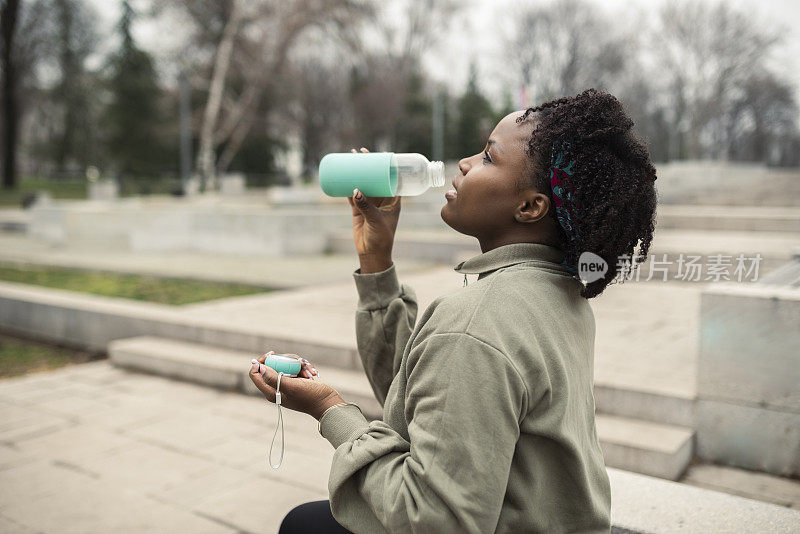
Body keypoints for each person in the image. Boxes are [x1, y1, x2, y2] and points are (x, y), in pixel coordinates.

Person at [250, 88, 658, 533]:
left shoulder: (476, 322)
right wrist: (376, 257)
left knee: (303, 526)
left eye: (488, 156)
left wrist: (330, 409)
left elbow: (434, 520)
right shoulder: (559, 293)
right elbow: (432, 398)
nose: (463, 164)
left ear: (530, 206)